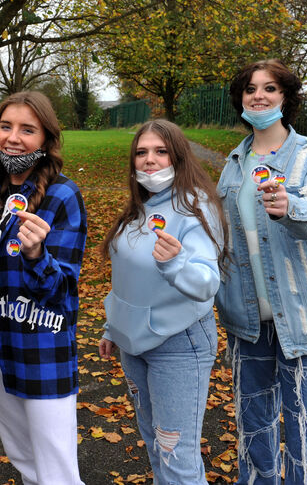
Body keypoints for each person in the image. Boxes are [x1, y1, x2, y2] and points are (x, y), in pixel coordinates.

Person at [216, 59, 307, 484]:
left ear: (285, 98)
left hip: (305, 315)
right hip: (247, 319)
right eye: (250, 88)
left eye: (270, 88)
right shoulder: (234, 163)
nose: (259, 96)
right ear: (240, 99)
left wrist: (290, 206)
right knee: (254, 431)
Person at [0, 91, 87, 485]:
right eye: (5, 126)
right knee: (23, 460)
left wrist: (37, 255)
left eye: (27, 129)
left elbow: (64, 289)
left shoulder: (63, 196)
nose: (13, 137)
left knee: (57, 471)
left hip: (41, 351)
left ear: (46, 140)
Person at [97, 119, 227, 483]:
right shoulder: (141, 207)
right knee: (155, 442)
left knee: (176, 454)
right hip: (132, 341)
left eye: (160, 151)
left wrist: (175, 263)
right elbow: (126, 277)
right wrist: (113, 326)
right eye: (141, 152)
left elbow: (206, 283)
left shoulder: (195, 207)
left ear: (178, 156)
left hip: (179, 342)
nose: (149, 160)